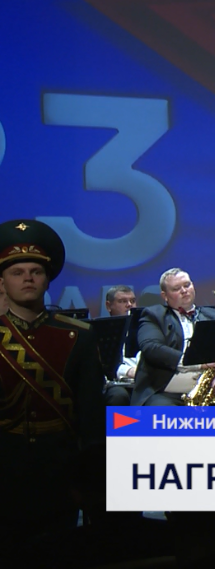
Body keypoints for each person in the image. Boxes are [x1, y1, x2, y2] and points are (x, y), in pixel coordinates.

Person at [0, 219, 105, 552]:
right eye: (17, 272)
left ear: (47, 279)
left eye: (36, 271)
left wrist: (89, 482)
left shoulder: (80, 336)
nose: (28, 278)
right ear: (2, 281)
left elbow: (91, 414)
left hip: (61, 471)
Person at [133, 268, 215, 406]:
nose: (184, 291)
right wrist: (198, 363)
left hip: (213, 388)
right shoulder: (154, 315)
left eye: (187, 285)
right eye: (176, 288)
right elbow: (152, 348)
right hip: (167, 391)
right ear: (165, 296)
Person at [101, 284, 140, 406]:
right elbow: (105, 366)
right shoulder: (101, 332)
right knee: (118, 396)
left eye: (132, 301)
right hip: (118, 382)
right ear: (109, 306)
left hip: (145, 379)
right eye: (123, 301)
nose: (129, 305)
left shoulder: (147, 329)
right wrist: (128, 371)